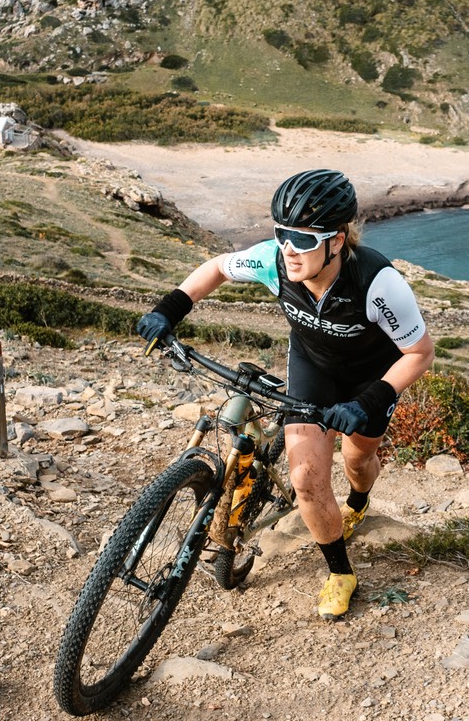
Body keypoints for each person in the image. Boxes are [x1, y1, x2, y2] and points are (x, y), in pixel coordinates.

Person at [135, 169, 434, 620]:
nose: (289, 248)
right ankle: (340, 573)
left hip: (369, 382)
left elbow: (419, 352)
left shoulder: (379, 283)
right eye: (281, 234)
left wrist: (369, 402)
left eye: (303, 239)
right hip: (313, 369)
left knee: (357, 461)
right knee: (307, 478)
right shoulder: (273, 260)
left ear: (337, 240)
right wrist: (168, 310)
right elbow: (216, 268)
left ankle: (357, 501)